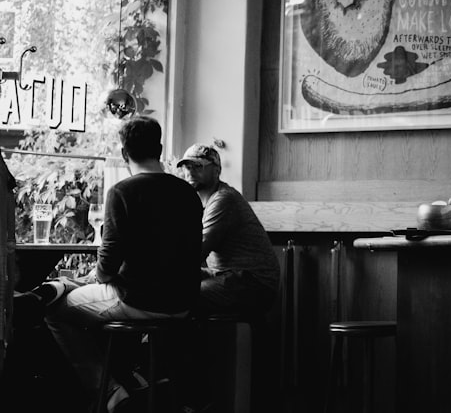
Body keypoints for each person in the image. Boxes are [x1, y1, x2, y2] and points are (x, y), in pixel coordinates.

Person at [44, 116, 204, 411]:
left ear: (123, 153)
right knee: (94, 291)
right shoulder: (189, 194)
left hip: (140, 300)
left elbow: (107, 263)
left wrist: (102, 275)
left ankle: (110, 392)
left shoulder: (122, 192)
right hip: (184, 303)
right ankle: (135, 377)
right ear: (159, 148)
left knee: (55, 311)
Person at [176, 143, 279, 316]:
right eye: (187, 166)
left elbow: (197, 251)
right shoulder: (203, 202)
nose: (190, 171)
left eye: (198, 166)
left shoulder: (223, 200)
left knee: (176, 295)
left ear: (217, 171)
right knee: (171, 286)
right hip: (228, 277)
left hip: (253, 283)